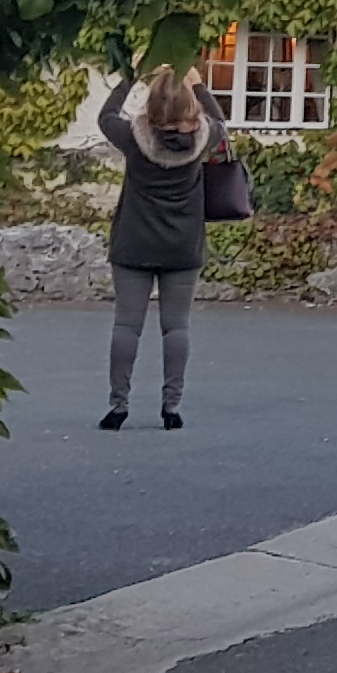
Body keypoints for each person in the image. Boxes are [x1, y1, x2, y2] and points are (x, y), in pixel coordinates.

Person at [96, 63, 229, 430]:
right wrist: (198, 85)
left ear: (151, 105)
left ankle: (118, 406)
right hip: (182, 246)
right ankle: (171, 408)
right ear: (190, 107)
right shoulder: (204, 137)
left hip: (133, 242)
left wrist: (132, 75)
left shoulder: (132, 137)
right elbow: (221, 122)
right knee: (176, 327)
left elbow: (106, 117)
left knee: (127, 326)